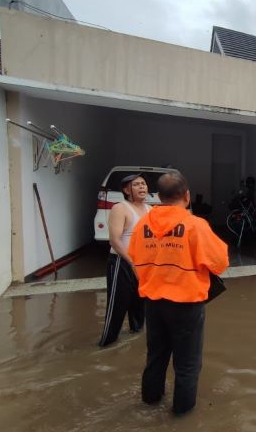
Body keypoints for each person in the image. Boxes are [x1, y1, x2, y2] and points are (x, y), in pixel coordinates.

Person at [129, 171, 229, 416]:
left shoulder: (143, 225)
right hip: (186, 305)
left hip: (153, 302)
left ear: (159, 197)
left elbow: (134, 256)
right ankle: (182, 417)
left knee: (156, 357)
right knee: (187, 365)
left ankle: (150, 402)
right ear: (187, 196)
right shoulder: (196, 225)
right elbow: (220, 263)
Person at [98, 174, 150, 347]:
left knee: (139, 306)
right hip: (121, 262)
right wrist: (132, 262)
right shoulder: (120, 208)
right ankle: (106, 345)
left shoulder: (150, 210)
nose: (142, 187)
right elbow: (114, 240)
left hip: (142, 265)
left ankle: (135, 340)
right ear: (127, 190)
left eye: (143, 184)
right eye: (136, 185)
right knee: (117, 308)